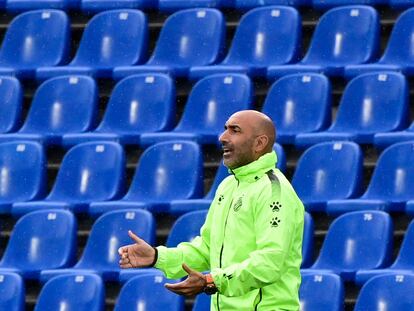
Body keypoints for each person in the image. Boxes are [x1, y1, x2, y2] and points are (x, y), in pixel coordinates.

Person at [118, 110, 304, 310]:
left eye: (235, 130)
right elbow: (207, 250)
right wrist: (157, 256)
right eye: (225, 129)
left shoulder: (274, 191)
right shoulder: (228, 186)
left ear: (259, 143)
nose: (222, 137)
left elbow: (270, 262)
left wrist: (211, 281)